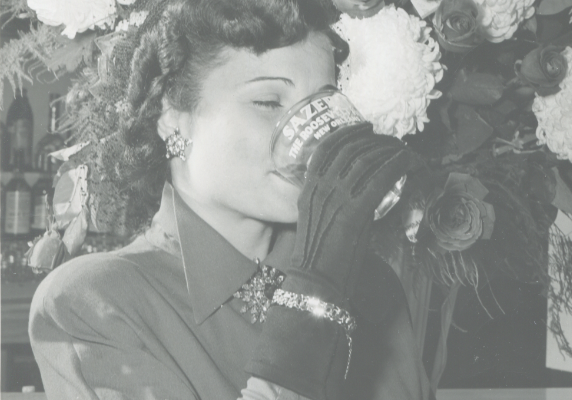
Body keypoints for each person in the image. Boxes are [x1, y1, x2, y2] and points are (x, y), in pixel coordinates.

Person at [28, 0, 431, 399]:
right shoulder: (91, 302)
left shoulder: (372, 285)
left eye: (320, 105)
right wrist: (315, 289)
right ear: (172, 113)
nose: (311, 135)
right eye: (268, 102)